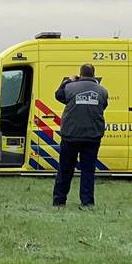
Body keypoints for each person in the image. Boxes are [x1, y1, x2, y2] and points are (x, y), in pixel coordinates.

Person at [52, 63, 109, 208]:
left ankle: (59, 201)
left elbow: (58, 95)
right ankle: (87, 202)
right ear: (94, 75)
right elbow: (103, 105)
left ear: (80, 74)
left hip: (70, 136)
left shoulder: (70, 88)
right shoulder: (102, 91)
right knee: (88, 171)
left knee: (65, 169)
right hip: (92, 137)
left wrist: (69, 81)